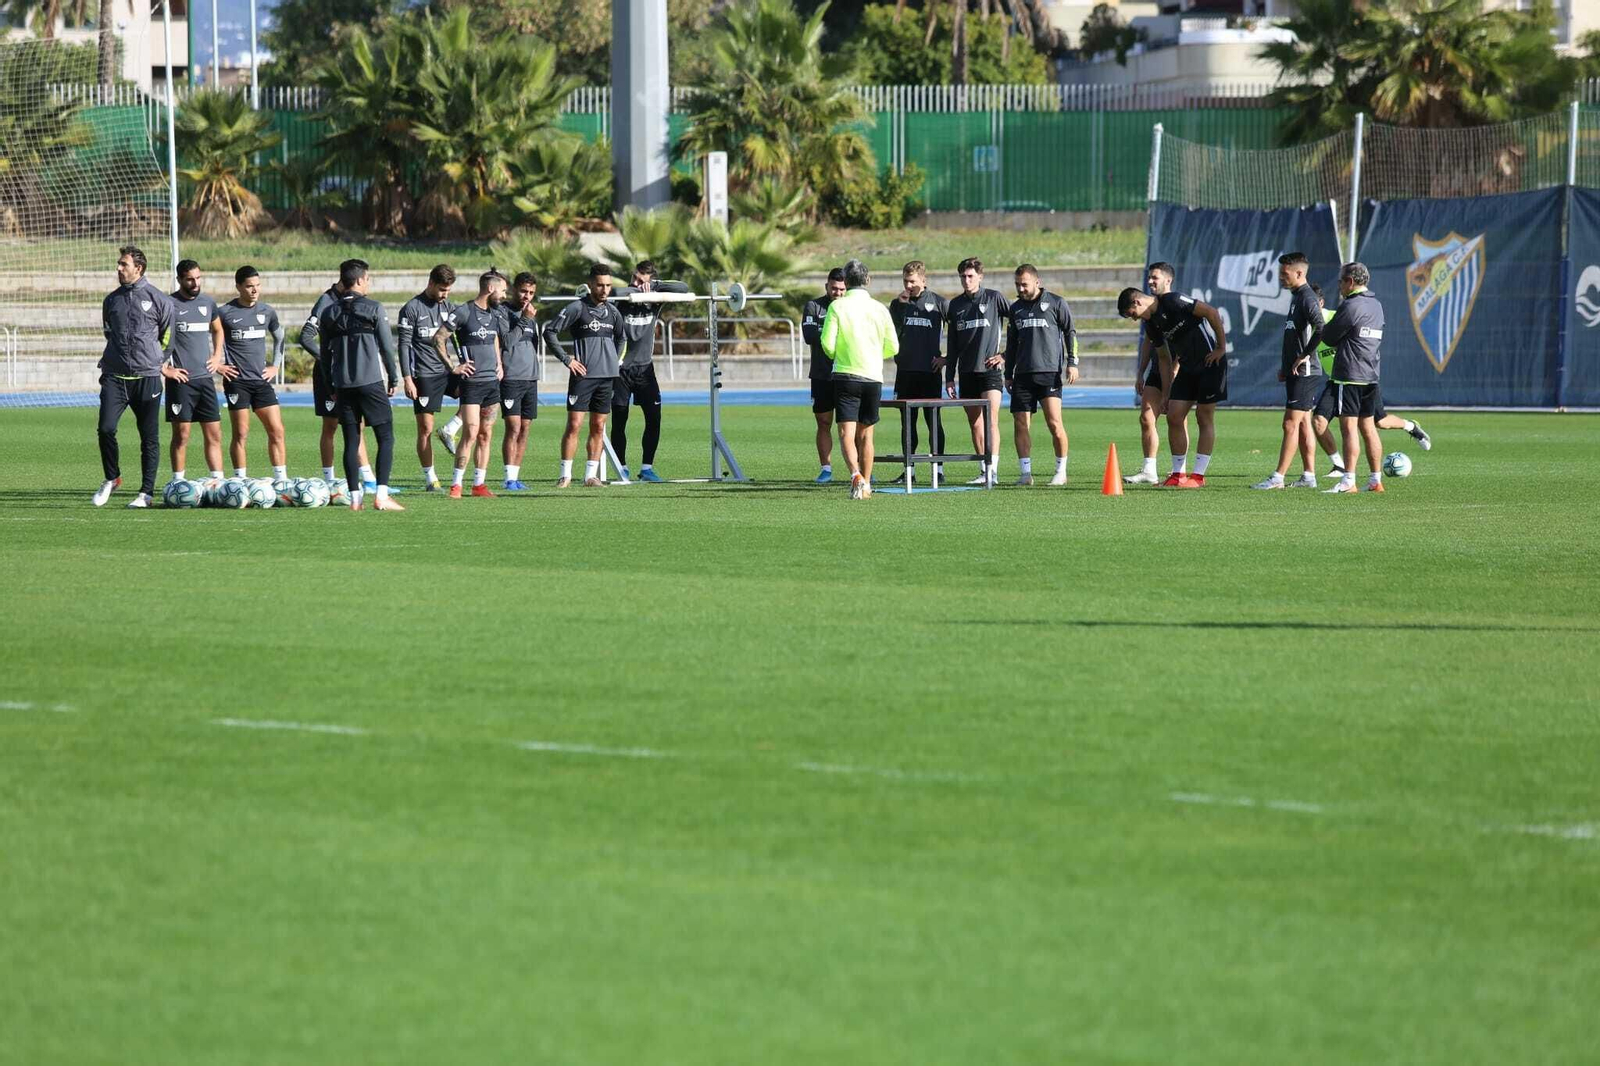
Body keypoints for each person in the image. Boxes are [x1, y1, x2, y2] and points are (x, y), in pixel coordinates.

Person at [1306, 283, 1431, 476]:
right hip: (1336, 381)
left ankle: (1411, 426)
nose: (1307, 308)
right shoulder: (1307, 328)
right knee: (1319, 421)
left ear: (1320, 303)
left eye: (1311, 304)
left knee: (1380, 422)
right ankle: (1339, 465)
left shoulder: (1335, 317)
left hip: (1358, 379)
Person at [1115, 285, 1227, 487]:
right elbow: (1164, 358)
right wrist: (1166, 392)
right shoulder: (1151, 324)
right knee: (1174, 416)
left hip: (1210, 363)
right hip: (1186, 367)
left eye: (1132, 314)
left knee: (1203, 417)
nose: (1134, 319)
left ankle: (1198, 477)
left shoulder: (1172, 301)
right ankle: (1178, 475)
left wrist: (1220, 347)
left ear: (1137, 302)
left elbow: (1211, 312)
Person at [93, 245, 177, 508]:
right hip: (114, 376)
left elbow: (168, 339)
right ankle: (112, 477)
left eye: (123, 264)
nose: (118, 268)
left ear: (138, 268)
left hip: (147, 378)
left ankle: (146, 494)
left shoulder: (160, 300)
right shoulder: (111, 300)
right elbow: (109, 332)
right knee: (106, 428)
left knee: (148, 437)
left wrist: (156, 362)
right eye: (118, 264)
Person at [318, 259, 403, 511]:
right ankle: (381, 496)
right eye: (367, 279)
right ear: (358, 280)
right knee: (385, 436)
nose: (368, 283)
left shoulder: (329, 312)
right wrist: (393, 377)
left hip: (342, 384)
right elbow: (387, 348)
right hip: (370, 382)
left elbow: (325, 355)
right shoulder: (374, 307)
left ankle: (355, 500)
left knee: (351, 439)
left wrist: (330, 384)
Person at [820, 259, 898, 500]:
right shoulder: (880, 308)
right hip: (873, 376)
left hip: (846, 375)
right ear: (868, 280)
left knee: (846, 433)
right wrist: (875, 355)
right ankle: (866, 485)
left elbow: (827, 344)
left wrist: (838, 354)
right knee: (867, 435)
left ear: (847, 281)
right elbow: (893, 346)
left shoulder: (837, 307)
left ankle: (855, 475)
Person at [544, 263, 628, 487]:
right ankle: (565, 475)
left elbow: (622, 338)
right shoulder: (577, 308)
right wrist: (567, 359)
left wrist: (615, 359)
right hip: (583, 377)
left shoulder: (613, 312)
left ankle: (590, 476)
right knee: (574, 425)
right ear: (590, 285)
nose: (605, 289)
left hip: (606, 377)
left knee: (599, 426)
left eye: (608, 285)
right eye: (600, 285)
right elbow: (549, 332)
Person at [297, 259, 376, 489]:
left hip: (351, 373)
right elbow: (305, 336)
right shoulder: (327, 301)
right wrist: (328, 359)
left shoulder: (354, 302)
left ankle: (369, 479)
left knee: (357, 425)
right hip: (329, 375)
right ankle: (329, 479)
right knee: (331, 426)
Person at [611, 260, 691, 482]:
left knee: (654, 418)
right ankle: (622, 467)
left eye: (641, 280)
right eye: (634, 278)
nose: (636, 283)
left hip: (645, 369)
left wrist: (654, 288)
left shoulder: (655, 297)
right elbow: (615, 290)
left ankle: (647, 468)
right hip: (620, 369)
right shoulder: (621, 299)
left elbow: (683, 288)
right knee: (619, 419)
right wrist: (636, 291)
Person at [432, 269, 510, 498]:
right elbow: (438, 338)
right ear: (491, 288)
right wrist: (452, 367)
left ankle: (479, 485)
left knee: (486, 435)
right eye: (503, 290)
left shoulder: (495, 314)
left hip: (491, 383)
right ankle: (456, 485)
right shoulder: (465, 311)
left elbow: (494, 337)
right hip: (472, 383)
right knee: (471, 433)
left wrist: (499, 364)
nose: (505, 295)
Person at [1251, 252, 1323, 490]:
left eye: (1285, 273)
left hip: (1306, 372)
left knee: (1290, 424)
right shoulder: (1296, 297)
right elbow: (1296, 336)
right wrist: (1286, 366)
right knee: (1302, 424)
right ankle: (1309, 477)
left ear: (1299, 273)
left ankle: (1278, 478)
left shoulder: (1307, 298)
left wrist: (1303, 357)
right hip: (1296, 371)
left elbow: (1321, 329)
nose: (1281, 278)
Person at [1003, 264, 1077, 486]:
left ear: (1037, 282)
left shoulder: (1056, 303)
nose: (1021, 288)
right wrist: (1008, 374)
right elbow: (1012, 344)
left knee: (1054, 423)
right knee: (1020, 423)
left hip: (1048, 372)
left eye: (1024, 284)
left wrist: (1072, 362)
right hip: (1022, 375)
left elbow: (1070, 332)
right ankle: (1026, 474)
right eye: (1017, 284)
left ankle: (1060, 471)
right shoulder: (1015, 308)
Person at [1320, 262, 1387, 494]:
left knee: (1349, 428)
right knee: (1369, 427)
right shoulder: (1376, 305)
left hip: (1349, 375)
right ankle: (1376, 480)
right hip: (1371, 375)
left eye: (1341, 281)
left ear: (1350, 282)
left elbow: (1328, 337)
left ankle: (1348, 481)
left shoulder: (1350, 305)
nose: (1339, 285)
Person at [218, 265, 287, 481]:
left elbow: (280, 338)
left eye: (257, 285)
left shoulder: (267, 312)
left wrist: (275, 365)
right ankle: (240, 480)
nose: (255, 290)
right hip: (236, 382)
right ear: (238, 287)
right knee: (241, 433)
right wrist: (217, 365)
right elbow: (203, 339)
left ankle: (280, 480)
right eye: (249, 286)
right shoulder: (225, 313)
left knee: (277, 431)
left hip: (261, 381)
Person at [944, 257, 1009, 486]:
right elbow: (952, 344)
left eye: (970, 276)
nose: (966, 280)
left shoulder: (994, 298)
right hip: (967, 372)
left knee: (991, 420)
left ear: (980, 277)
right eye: (963, 276)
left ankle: (994, 470)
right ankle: (984, 469)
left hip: (990, 371)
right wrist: (949, 377)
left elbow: (1018, 322)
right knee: (975, 423)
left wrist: (1005, 355)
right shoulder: (955, 305)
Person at [163, 259, 225, 486]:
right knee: (182, 436)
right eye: (190, 279)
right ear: (179, 279)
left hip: (205, 380)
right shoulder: (168, 304)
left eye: (198, 278)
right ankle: (178, 482)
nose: (195, 282)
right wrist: (164, 368)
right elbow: (151, 338)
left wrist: (217, 357)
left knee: (214, 434)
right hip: (181, 382)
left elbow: (218, 329)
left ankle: (218, 482)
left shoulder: (208, 303)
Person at [397, 263, 457, 490]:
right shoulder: (412, 308)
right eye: (442, 289)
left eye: (448, 290)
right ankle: (431, 478)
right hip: (424, 375)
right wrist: (407, 378)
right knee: (425, 429)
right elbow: (403, 345)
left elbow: (457, 339)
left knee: (477, 394)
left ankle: (451, 429)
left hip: (448, 370)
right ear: (431, 283)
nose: (445, 295)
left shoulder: (449, 307)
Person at [888, 260, 949, 485]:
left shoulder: (940, 303)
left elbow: (959, 333)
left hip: (929, 372)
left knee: (933, 421)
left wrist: (947, 359)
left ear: (923, 280)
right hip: (905, 373)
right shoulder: (897, 305)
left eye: (912, 281)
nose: (908, 285)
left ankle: (938, 469)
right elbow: (892, 331)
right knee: (907, 423)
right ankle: (909, 469)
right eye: (905, 281)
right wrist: (902, 306)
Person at [1125, 262, 1176, 485]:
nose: (1150, 282)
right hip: (1159, 368)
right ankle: (1149, 470)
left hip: (1179, 370)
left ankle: (1179, 471)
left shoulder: (1176, 305)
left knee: (1176, 419)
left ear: (1168, 280)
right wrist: (1140, 372)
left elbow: (1190, 342)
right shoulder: (1149, 313)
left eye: (1155, 278)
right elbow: (1149, 343)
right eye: (1149, 278)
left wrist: (1176, 370)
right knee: (1146, 418)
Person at [498, 272, 543, 490]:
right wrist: (525, 318)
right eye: (524, 291)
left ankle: (515, 476)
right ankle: (508, 477)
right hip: (511, 378)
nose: (527, 296)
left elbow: (530, 344)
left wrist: (528, 318)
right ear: (514, 289)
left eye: (531, 293)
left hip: (530, 377)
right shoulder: (503, 312)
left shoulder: (530, 314)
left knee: (525, 428)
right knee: (513, 427)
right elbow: (507, 342)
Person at [801, 268, 847, 483]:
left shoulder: (851, 308)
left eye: (842, 289)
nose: (837, 293)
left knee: (851, 425)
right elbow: (810, 336)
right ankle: (826, 468)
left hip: (847, 374)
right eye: (834, 288)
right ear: (826, 286)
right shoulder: (814, 306)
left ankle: (860, 468)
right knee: (823, 422)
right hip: (821, 375)